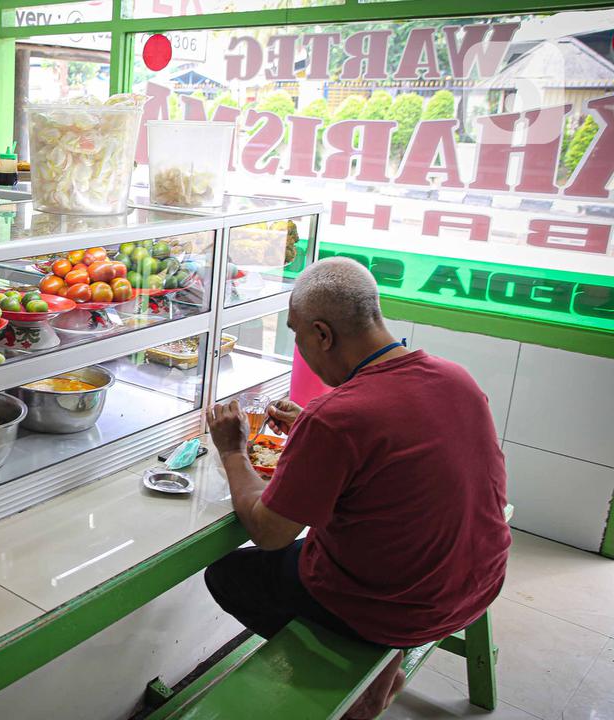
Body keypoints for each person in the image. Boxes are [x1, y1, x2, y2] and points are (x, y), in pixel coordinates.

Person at [202, 257, 511, 719]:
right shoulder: (455, 378)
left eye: (297, 331)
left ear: (322, 335)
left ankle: (347, 667)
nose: (299, 345)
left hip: (400, 611)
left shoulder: (337, 418)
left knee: (229, 574)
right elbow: (396, 439)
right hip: (478, 583)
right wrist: (310, 427)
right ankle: (373, 661)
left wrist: (232, 451)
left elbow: (270, 533)